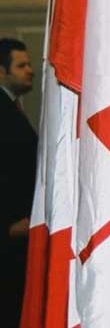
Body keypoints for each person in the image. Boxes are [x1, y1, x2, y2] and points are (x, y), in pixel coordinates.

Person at [0, 38, 36, 328]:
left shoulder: (12, 107)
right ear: (2, 71)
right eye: (21, 65)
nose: (30, 71)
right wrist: (7, 225)